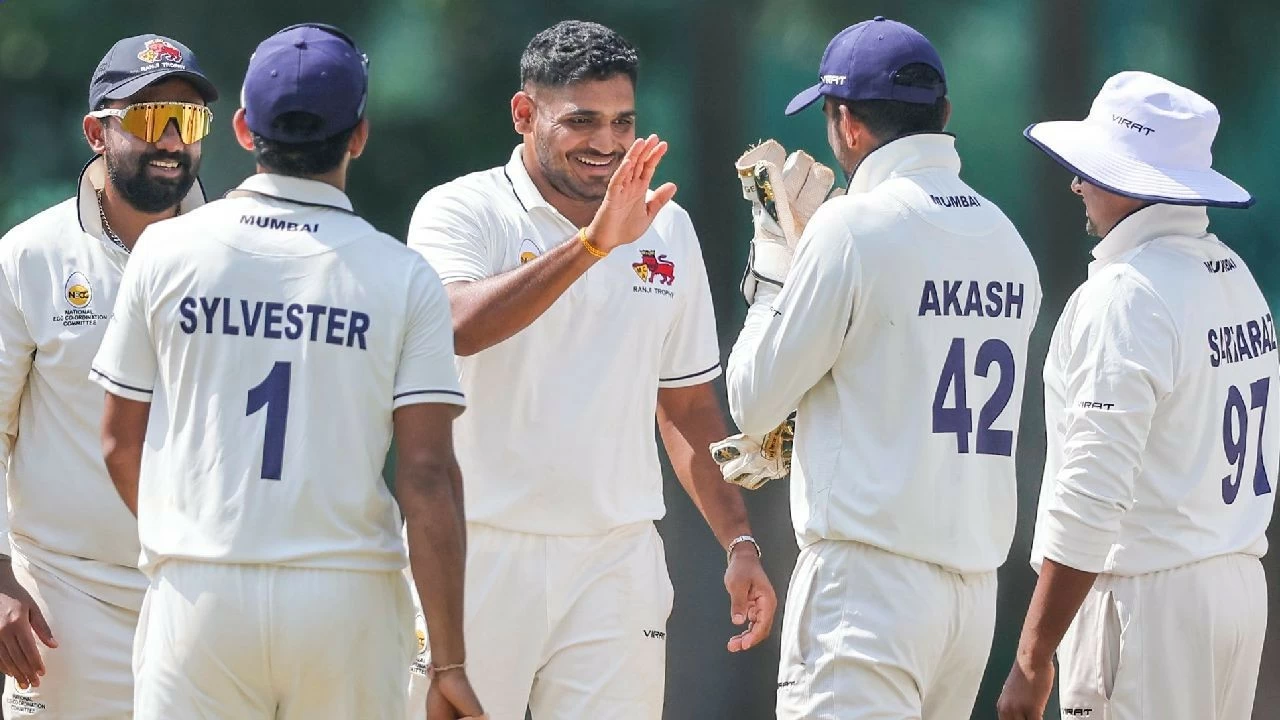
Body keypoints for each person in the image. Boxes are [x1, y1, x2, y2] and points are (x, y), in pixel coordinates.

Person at [89, 24, 483, 719]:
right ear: (358, 135)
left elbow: (119, 443)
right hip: (346, 596)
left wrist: (189, 547)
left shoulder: (165, 253)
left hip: (200, 589)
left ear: (243, 128)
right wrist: (447, 662)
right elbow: (426, 476)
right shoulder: (404, 275)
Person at [404, 19, 776, 720]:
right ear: (524, 114)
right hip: (478, 549)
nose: (605, 143)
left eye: (622, 121)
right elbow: (454, 325)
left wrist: (740, 541)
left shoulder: (668, 228)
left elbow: (688, 406)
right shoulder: (461, 209)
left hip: (616, 560)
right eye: (580, 121)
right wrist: (594, 244)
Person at [724, 16, 1042, 719]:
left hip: (865, 593)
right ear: (945, 117)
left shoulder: (850, 229)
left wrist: (777, 265)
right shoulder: (1007, 241)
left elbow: (751, 401)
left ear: (847, 123)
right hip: (970, 600)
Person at [998, 71, 1274, 720]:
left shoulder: (1126, 294)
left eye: (1092, 170)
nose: (1077, 184)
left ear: (1131, 182)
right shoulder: (1235, 278)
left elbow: (1091, 495)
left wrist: (1033, 656)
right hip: (1235, 588)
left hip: (1146, 605)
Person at [0, 34, 216, 716]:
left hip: (203, 597)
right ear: (97, 132)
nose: (174, 141)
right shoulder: (30, 257)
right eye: (152, 120)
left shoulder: (234, 257)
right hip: (63, 601)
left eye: (191, 121)